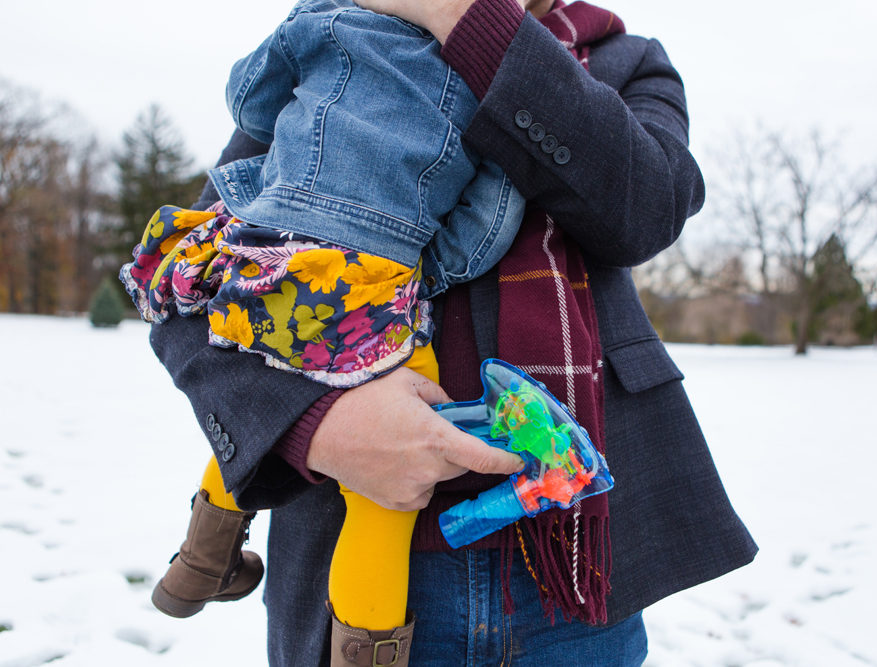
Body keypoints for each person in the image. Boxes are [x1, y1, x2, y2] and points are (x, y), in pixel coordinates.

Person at [147, 0, 759, 664]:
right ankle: (208, 551)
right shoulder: (344, 41)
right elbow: (198, 271)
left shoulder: (624, 61)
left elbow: (644, 210)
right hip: (351, 533)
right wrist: (320, 428)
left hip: (575, 566)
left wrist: (467, 20)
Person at [120, 0, 526, 652]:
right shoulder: (487, 83)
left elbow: (251, 95)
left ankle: (200, 563)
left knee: (267, 409)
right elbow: (492, 217)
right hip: (375, 288)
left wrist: (281, 168)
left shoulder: (329, 17)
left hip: (269, 260)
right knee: (387, 501)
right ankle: (363, 651)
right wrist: (430, 273)